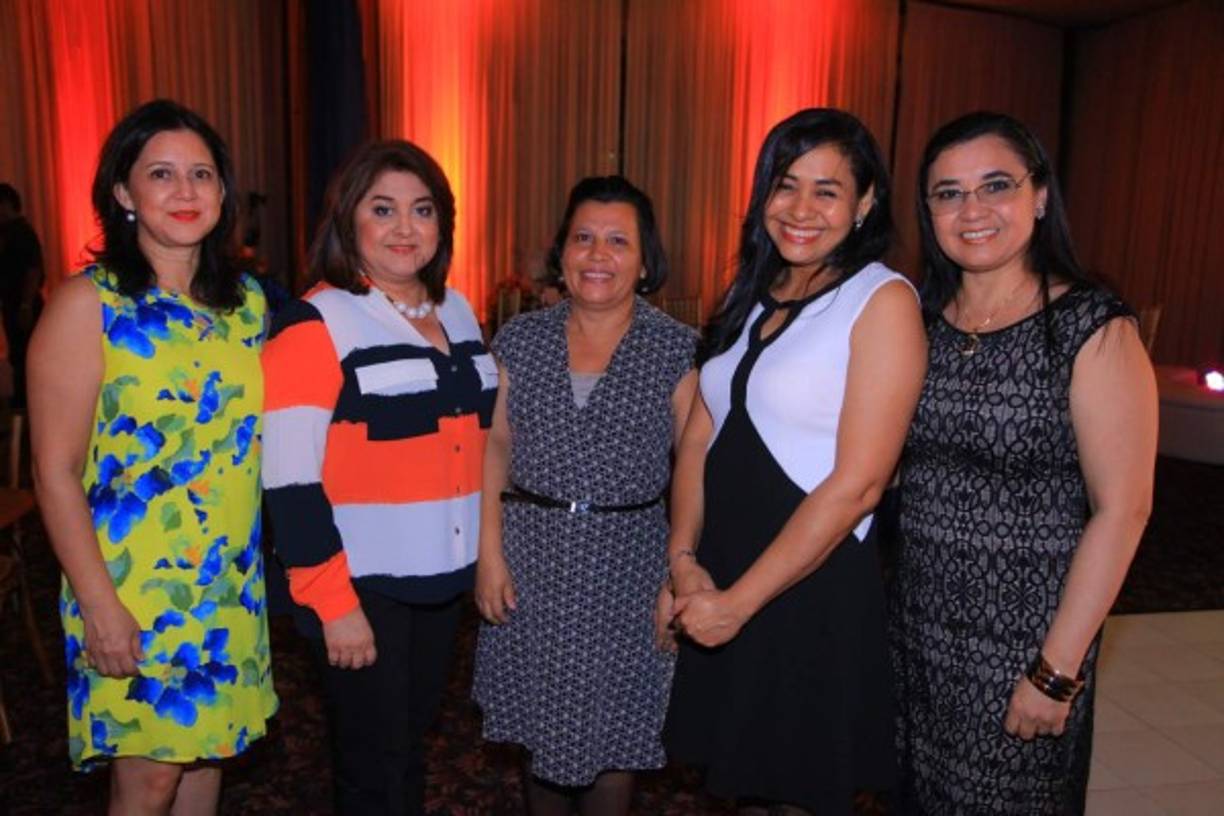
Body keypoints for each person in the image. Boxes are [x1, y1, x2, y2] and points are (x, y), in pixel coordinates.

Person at [889, 111, 1158, 814]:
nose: (970, 209)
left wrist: (1057, 670)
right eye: (947, 193)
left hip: (1027, 644)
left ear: (1039, 197)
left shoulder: (1090, 327)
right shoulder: (919, 322)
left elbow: (1124, 508)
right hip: (917, 636)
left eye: (995, 185)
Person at [661, 108, 927, 814]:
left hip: (808, 583)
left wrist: (738, 605)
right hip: (721, 567)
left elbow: (861, 483)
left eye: (828, 190)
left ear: (866, 202)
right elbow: (697, 436)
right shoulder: (750, 293)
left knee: (797, 793)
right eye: (785, 185)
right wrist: (683, 559)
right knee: (741, 782)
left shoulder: (883, 300)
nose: (801, 209)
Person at [28, 99, 277, 812]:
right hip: (129, 585)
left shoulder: (249, 305)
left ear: (224, 193)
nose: (186, 191)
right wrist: (100, 606)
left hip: (227, 582)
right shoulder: (88, 305)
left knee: (206, 762)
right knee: (148, 780)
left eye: (202, 174)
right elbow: (52, 471)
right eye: (161, 173)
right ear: (122, 192)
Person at [261, 139, 496, 815]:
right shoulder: (316, 323)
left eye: (422, 210)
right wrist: (335, 607)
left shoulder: (455, 310)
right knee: (372, 767)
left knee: (409, 747)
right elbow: (290, 484)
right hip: (361, 591)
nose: (405, 228)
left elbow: (473, 446)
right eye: (383, 209)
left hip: (440, 581)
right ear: (347, 220)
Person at [472, 175, 698, 815]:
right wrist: (489, 554)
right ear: (562, 252)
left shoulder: (675, 348)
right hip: (531, 565)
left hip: (628, 571)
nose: (598, 255)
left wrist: (676, 577)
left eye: (618, 241)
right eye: (584, 238)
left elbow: (693, 470)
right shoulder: (520, 339)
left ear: (646, 259)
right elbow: (496, 447)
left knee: (615, 743)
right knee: (540, 740)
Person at [0, 182, 45, 408]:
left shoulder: (22, 233)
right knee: (19, 355)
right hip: (14, 303)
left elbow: (33, 270)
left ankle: (27, 406)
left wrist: (26, 305)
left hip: (24, 304)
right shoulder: (9, 233)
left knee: (26, 355)